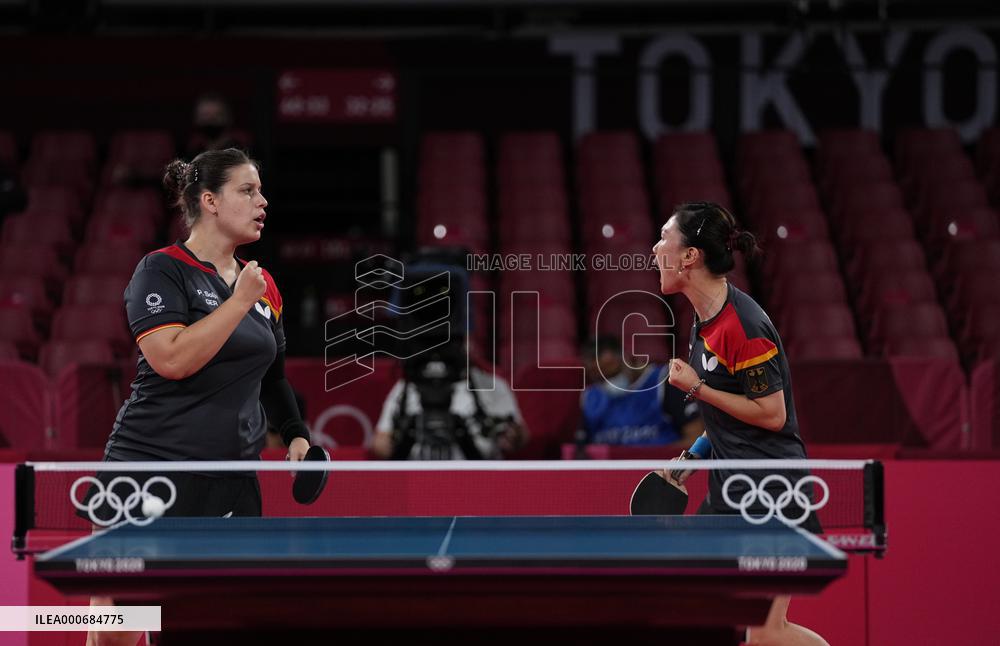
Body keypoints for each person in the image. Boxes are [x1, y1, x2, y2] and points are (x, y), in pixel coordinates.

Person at [86, 148, 311, 646]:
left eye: (261, 190)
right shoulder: (162, 270)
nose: (263, 201)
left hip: (231, 478)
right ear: (209, 200)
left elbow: (272, 375)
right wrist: (237, 303)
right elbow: (171, 359)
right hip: (149, 472)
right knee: (119, 628)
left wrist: (295, 434)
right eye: (248, 191)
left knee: (215, 622)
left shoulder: (261, 283)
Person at [651, 201, 828, 646]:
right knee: (708, 614)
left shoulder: (743, 326)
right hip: (732, 488)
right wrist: (691, 457)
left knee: (767, 632)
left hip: (772, 488)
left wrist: (697, 389)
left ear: (690, 256)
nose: (655, 249)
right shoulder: (706, 318)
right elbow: (731, 414)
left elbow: (772, 415)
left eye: (664, 239)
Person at [371, 340, 528, 460]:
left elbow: (520, 438)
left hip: (477, 479)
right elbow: (380, 444)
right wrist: (404, 433)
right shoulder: (407, 386)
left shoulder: (492, 386)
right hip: (417, 479)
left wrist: (512, 436)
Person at [579, 335, 702, 447]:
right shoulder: (590, 397)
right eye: (601, 376)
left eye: (613, 373)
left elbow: (694, 439)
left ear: (626, 358)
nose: (609, 381)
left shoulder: (666, 381)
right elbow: (581, 450)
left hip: (659, 466)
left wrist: (652, 460)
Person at [186, 92, 249, 156]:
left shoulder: (242, 147)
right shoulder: (191, 148)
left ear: (228, 118)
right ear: (196, 119)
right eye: (205, 115)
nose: (211, 120)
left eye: (218, 115)